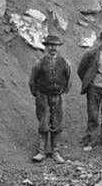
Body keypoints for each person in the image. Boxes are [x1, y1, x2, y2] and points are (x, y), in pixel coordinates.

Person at [28, 34, 71, 163]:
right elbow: (32, 81)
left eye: (56, 46)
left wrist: (61, 93)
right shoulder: (39, 63)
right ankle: (41, 151)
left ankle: (55, 151)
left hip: (58, 96)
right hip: (43, 96)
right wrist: (38, 94)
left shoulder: (65, 63)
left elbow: (69, 82)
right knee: (44, 122)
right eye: (50, 45)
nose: (53, 48)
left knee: (57, 122)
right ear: (46, 47)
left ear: (59, 47)